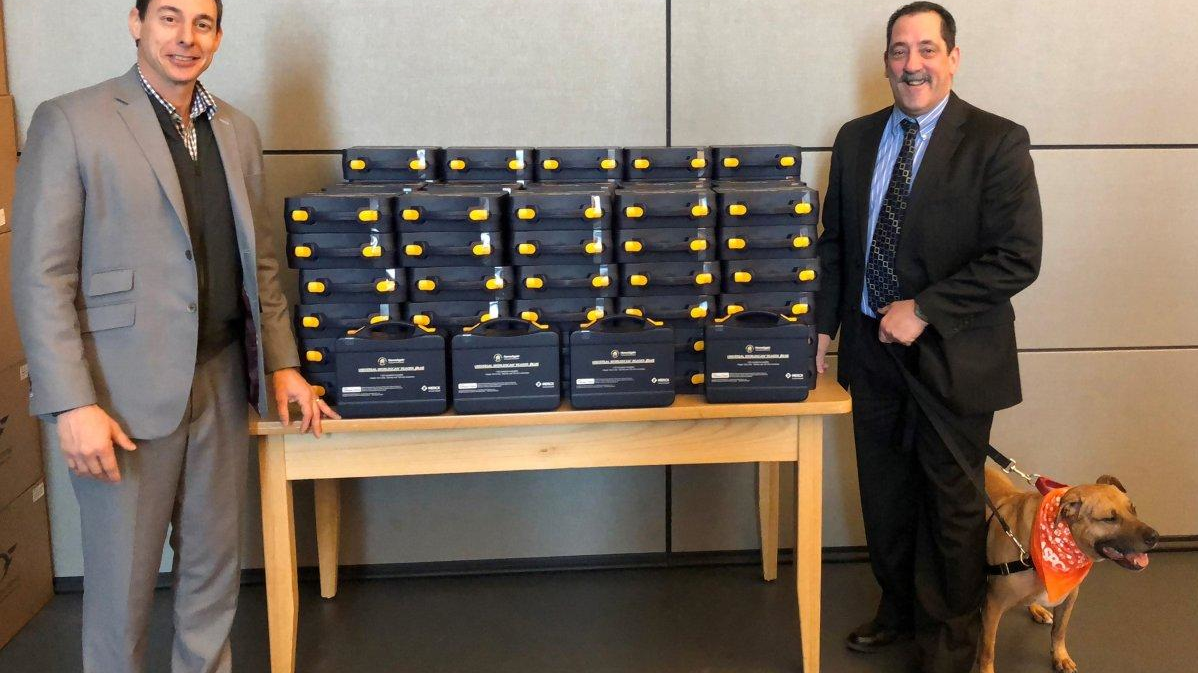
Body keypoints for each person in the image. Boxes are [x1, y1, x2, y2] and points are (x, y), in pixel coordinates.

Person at [9, 1, 338, 671]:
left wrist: (282, 364)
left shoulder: (237, 131)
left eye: (202, 23)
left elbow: (261, 265)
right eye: (168, 18)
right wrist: (71, 404)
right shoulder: (71, 120)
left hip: (219, 379)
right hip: (117, 396)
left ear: (218, 35)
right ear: (135, 22)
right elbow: (40, 278)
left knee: (213, 575)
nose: (186, 38)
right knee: (121, 591)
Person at [814, 3, 1042, 671]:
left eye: (926, 49)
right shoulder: (855, 140)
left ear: (953, 57)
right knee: (885, 497)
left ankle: (949, 643)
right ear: (885, 60)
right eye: (898, 51)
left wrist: (927, 308)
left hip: (955, 355)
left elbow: (1017, 255)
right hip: (869, 350)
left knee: (950, 504)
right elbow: (836, 248)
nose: (911, 64)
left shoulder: (997, 140)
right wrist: (821, 330)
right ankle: (899, 612)